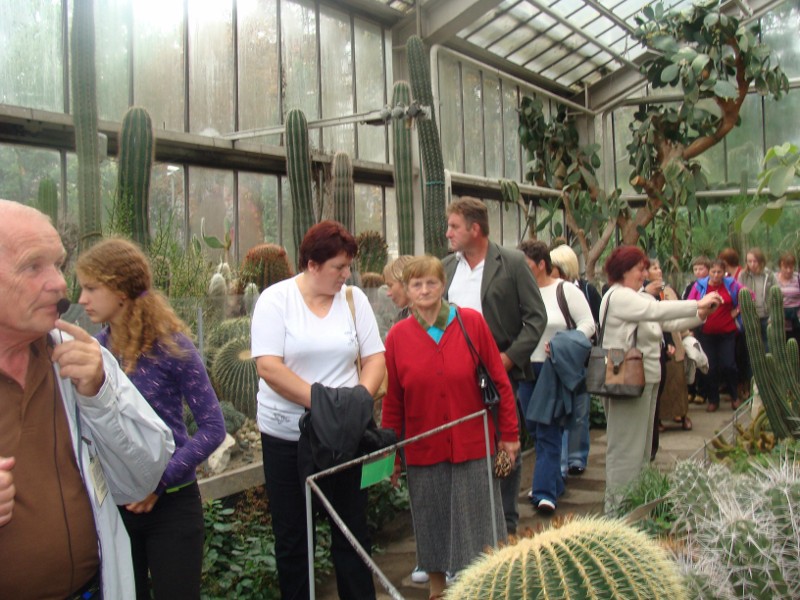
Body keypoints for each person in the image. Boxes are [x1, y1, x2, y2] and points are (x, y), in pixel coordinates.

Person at [0, 200, 174, 598]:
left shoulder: (81, 358)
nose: (60, 284)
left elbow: (143, 478)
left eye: (58, 264)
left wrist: (99, 395)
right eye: (33, 266)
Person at [75, 238, 226, 600]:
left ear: (120, 291)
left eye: (91, 288)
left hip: (172, 506)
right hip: (115, 510)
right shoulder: (94, 355)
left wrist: (159, 482)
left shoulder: (172, 348)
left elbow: (213, 427)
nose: (82, 299)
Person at [251, 220, 385, 600]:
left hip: (345, 437)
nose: (346, 275)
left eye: (348, 267)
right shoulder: (275, 301)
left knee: (352, 532)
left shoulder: (353, 301)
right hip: (288, 439)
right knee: (294, 538)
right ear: (312, 264)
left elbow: (375, 358)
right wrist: (326, 404)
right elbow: (269, 367)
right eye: (338, 267)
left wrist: (355, 402)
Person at [381, 255, 519, 600]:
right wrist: (390, 456)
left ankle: (485, 589)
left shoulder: (471, 322)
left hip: (473, 443)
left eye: (431, 282)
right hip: (423, 448)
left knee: (480, 525)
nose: (425, 290)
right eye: (416, 284)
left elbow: (500, 383)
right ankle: (437, 590)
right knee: (432, 522)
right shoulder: (397, 337)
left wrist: (509, 436)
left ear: (443, 285)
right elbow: (393, 401)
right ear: (407, 290)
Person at [442, 197, 546, 535]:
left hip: (500, 374)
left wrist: (507, 358)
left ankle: (506, 524)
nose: (448, 233)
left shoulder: (512, 263)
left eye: (454, 226)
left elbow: (536, 318)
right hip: (456, 378)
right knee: (464, 445)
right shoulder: (447, 267)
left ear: (475, 229)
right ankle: (471, 522)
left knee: (505, 444)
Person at [600, 246, 720, 513]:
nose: (645, 274)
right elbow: (657, 311)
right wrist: (698, 303)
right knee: (625, 450)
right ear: (623, 271)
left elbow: (667, 323)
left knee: (642, 451)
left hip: (646, 381)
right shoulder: (620, 296)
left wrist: (701, 314)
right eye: (640, 269)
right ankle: (616, 512)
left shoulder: (638, 297)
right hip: (625, 381)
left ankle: (635, 508)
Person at [516, 241, 594, 514]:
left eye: (526, 265)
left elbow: (588, 324)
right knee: (535, 428)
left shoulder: (565, 290)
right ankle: (553, 482)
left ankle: (544, 492)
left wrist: (563, 343)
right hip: (526, 368)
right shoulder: (519, 292)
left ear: (541, 264)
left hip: (553, 368)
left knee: (548, 428)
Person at [548, 243, 600, 478]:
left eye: (553, 267)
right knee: (558, 410)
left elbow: (594, 323)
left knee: (579, 409)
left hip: (578, 359)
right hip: (553, 359)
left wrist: (571, 342)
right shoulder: (545, 289)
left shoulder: (586, 291)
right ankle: (559, 464)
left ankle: (576, 457)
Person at [688, 259, 750, 412]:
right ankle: (713, 400)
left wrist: (736, 311)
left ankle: (734, 396)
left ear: (724, 273)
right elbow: (690, 303)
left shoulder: (731, 285)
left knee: (729, 364)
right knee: (710, 367)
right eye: (713, 272)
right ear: (708, 271)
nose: (716, 275)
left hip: (727, 333)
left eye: (719, 272)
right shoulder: (700, 286)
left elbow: (749, 295)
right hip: (706, 333)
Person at [737, 247, 776, 347]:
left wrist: (772, 316)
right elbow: (739, 294)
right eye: (749, 261)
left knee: (768, 345)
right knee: (753, 346)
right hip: (750, 316)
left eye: (755, 261)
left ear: (761, 261)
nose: (752, 264)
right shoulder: (743, 275)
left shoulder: (769, 275)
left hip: (766, 315)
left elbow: (776, 295)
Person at [776, 251, 800, 345]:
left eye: (791, 267)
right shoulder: (774, 279)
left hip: (797, 318)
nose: (789, 270)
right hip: (780, 319)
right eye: (786, 267)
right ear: (780, 266)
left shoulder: (798, 277)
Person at [383, 255, 414, 326]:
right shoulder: (401, 318)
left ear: (406, 282)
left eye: (390, 285)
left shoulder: (434, 320)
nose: (388, 293)